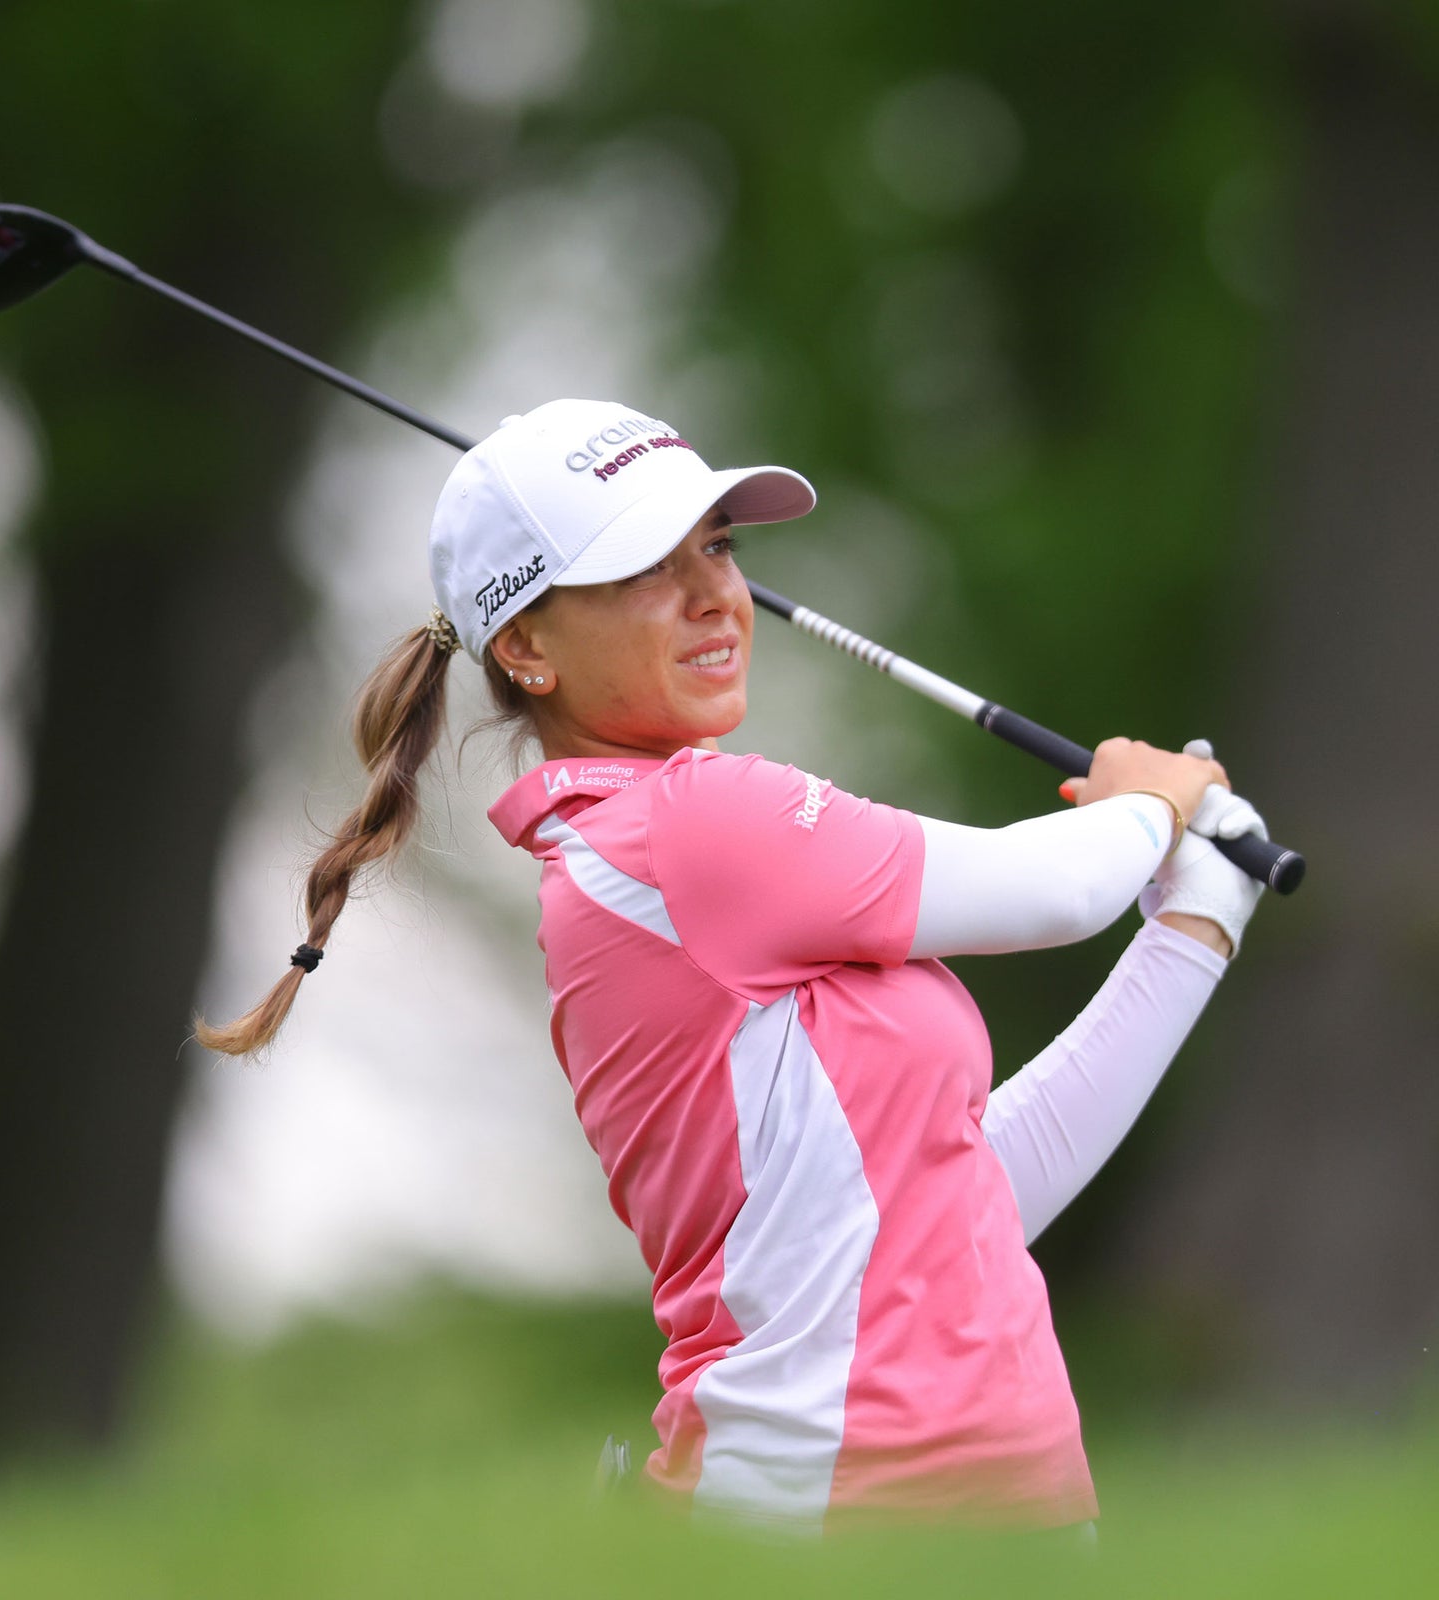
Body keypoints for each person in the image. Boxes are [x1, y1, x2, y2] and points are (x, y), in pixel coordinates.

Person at [197, 397, 1267, 1533]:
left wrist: (1192, 927)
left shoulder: (653, 847)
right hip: (835, 1516)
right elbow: (1053, 890)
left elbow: (962, 1201)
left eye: (715, 545)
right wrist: (1154, 797)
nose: (714, 593)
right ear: (526, 648)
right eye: (643, 568)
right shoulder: (683, 828)